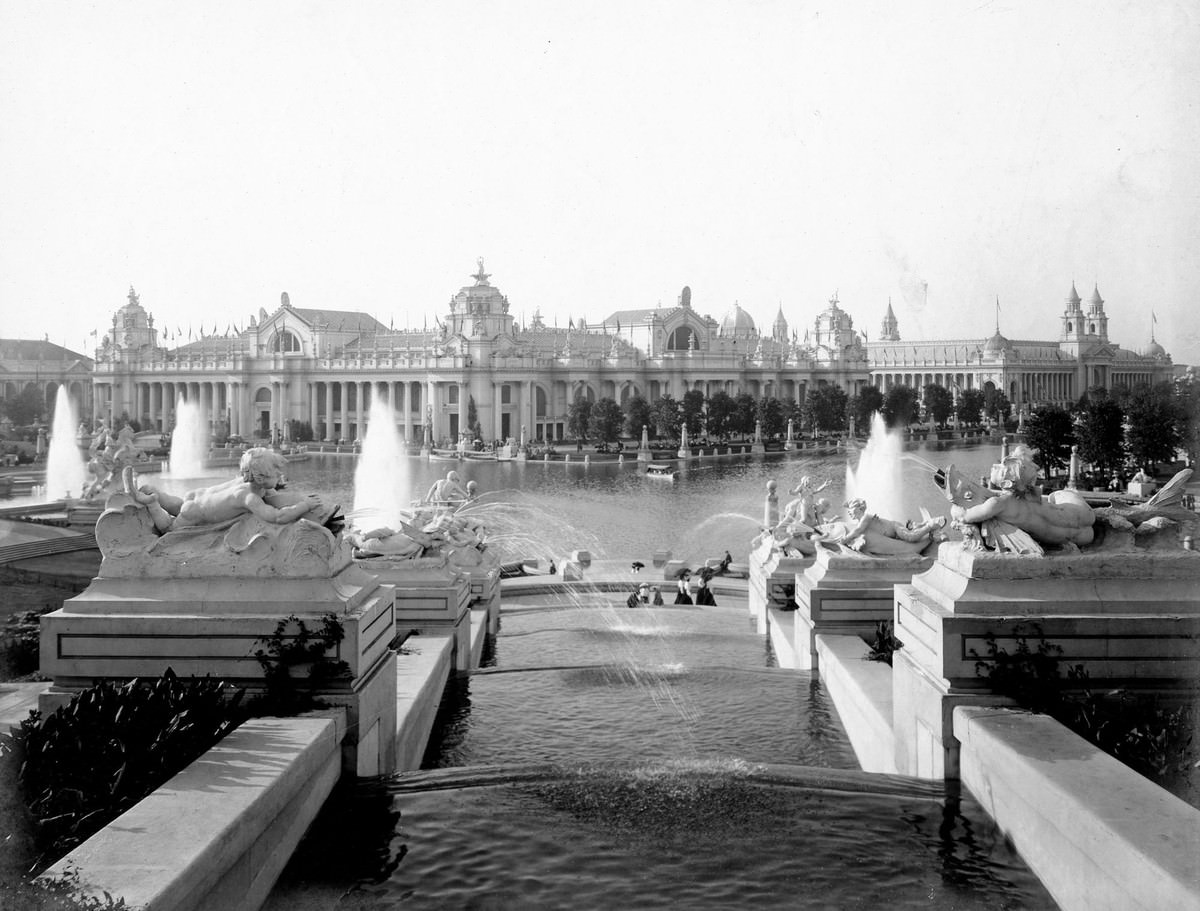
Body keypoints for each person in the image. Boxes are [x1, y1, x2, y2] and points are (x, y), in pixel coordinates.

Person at [126, 447, 322, 534]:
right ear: (261, 478)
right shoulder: (249, 498)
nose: (280, 477)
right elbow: (277, 517)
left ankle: (153, 491)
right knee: (169, 529)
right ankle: (152, 502)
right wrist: (305, 505)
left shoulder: (242, 482)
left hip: (195, 497)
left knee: (175, 503)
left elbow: (271, 495)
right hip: (194, 514)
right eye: (275, 474)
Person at [950, 444, 1095, 550]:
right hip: (1080, 515)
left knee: (1054, 495)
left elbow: (966, 517)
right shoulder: (1027, 494)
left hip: (1078, 538)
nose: (995, 466)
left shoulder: (996, 504)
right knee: (1054, 496)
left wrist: (956, 509)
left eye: (1000, 469)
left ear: (1006, 483)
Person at [840, 498, 947, 556]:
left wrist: (845, 539)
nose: (849, 512)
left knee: (911, 537)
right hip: (892, 535)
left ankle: (931, 524)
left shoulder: (866, 517)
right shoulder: (861, 521)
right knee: (911, 538)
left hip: (895, 527)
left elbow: (858, 531)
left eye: (850, 509)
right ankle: (924, 528)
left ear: (859, 508)